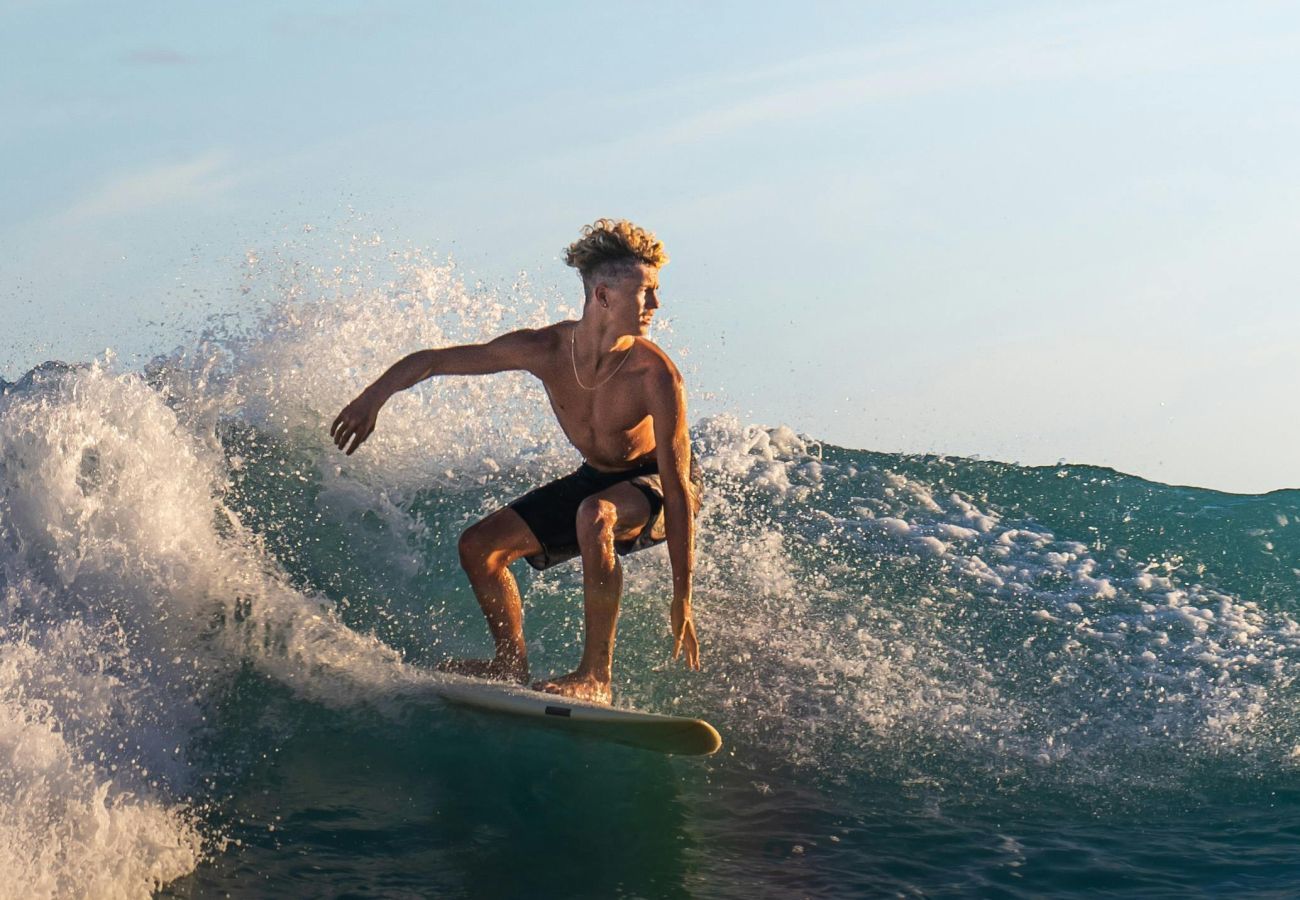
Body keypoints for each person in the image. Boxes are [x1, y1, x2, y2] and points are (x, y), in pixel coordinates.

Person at [329, 219, 701, 704]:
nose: (656, 306)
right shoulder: (545, 349)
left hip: (656, 485)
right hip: (598, 478)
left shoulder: (656, 376)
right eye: (646, 292)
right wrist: (372, 398)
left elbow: (676, 489)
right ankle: (509, 662)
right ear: (604, 297)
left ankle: (596, 676)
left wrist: (682, 597)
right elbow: (435, 360)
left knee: (596, 515)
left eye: (656, 292)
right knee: (479, 547)